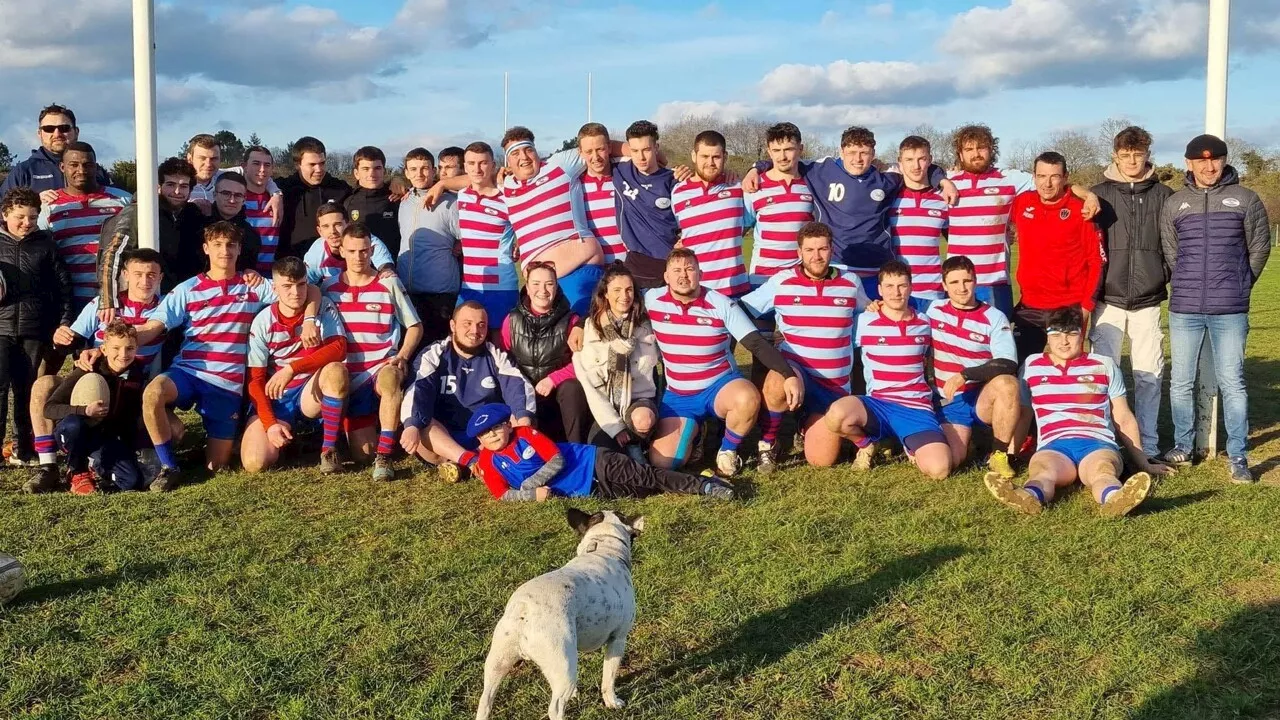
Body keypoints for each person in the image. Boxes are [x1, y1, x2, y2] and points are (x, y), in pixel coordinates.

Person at [131, 222, 315, 490]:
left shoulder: (254, 285)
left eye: (230, 245)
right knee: (153, 393)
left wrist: (309, 318)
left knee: (216, 466)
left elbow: (306, 291)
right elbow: (151, 328)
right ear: (206, 249)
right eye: (217, 244)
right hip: (188, 372)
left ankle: (224, 443)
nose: (224, 251)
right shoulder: (188, 288)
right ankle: (169, 466)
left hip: (227, 384)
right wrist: (115, 340)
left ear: (240, 249)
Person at [1160, 134, 1272, 483]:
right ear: (1188, 163)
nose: (1209, 167)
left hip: (1230, 310)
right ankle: (1183, 445)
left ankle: (1238, 455)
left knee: (1233, 383)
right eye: (1201, 161)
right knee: (1180, 381)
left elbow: (1259, 249)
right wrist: (1190, 284)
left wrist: (1239, 284)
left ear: (1224, 161)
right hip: (1185, 308)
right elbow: (1172, 253)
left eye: (1216, 160)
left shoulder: (1245, 199)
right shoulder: (1175, 203)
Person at [984, 306, 1168, 516]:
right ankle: (1030, 497)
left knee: (1102, 471)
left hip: (1098, 443)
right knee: (1043, 472)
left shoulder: (1103, 365)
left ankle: (1115, 499)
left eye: (1071, 334)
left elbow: (1123, 417)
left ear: (1082, 335)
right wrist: (1010, 455)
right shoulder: (1031, 366)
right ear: (1047, 335)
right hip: (1053, 445)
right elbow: (1024, 414)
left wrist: (1143, 461)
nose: (1064, 341)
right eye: (1056, 334)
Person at [426, 126, 628, 315]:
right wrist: (442, 184)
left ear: (536, 150)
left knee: (581, 334)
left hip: (578, 270)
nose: (523, 157)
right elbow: (476, 177)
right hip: (539, 284)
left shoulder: (561, 165)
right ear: (508, 162)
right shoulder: (506, 184)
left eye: (528, 150)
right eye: (515, 153)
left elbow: (597, 146)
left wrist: (642, 150)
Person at [742, 126, 956, 299]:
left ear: (873, 154)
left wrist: (942, 179)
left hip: (876, 270)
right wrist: (756, 167)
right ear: (841, 152)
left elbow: (918, 167)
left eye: (864, 153)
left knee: (873, 336)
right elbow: (784, 159)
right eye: (852, 153)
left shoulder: (889, 177)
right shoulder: (821, 170)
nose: (858, 159)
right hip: (836, 267)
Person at [646, 249, 801, 477]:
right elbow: (616, 305)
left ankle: (728, 450)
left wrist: (788, 375)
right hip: (679, 394)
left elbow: (755, 344)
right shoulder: (651, 299)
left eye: (690, 269)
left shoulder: (721, 303)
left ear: (700, 273)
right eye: (677, 270)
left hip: (719, 386)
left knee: (746, 397)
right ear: (666, 276)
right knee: (665, 462)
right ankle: (698, 433)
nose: (684, 276)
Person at [26, 249, 167, 492]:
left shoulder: (168, 308)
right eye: (138, 274)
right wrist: (61, 337)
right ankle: (48, 466)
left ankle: (111, 458)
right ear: (124, 275)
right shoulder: (103, 305)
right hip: (94, 382)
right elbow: (72, 340)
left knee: (174, 429)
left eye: (151, 275)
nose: (145, 281)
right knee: (44, 385)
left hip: (136, 390)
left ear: (161, 277)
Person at [740, 222, 868, 472]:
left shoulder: (851, 282)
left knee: (822, 460)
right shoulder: (782, 281)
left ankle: (803, 423)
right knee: (777, 379)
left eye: (822, 249)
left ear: (832, 250)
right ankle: (768, 443)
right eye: (809, 250)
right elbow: (743, 310)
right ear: (799, 252)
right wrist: (766, 337)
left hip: (834, 386)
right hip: (796, 374)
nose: (816, 256)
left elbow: (869, 311)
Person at [947, 124, 1099, 317]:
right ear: (960, 154)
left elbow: (1051, 181)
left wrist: (1088, 195)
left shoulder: (1010, 178)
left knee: (998, 343)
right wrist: (941, 180)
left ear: (991, 150)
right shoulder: (947, 180)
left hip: (996, 281)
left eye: (981, 147)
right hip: (957, 281)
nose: (976, 154)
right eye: (969, 149)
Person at [822, 261, 952, 480]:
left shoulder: (925, 322)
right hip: (878, 405)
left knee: (940, 470)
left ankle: (908, 444)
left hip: (916, 408)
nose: (896, 292)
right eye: (889, 286)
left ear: (911, 287)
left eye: (902, 286)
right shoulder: (863, 321)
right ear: (880, 290)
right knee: (836, 415)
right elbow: (832, 337)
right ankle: (866, 445)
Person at [1089, 126, 1174, 458]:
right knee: (1105, 374)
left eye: (1138, 154)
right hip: (1107, 298)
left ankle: (1149, 443)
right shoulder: (1098, 194)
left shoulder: (1164, 195)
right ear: (1115, 156)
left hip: (1148, 298)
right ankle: (1107, 438)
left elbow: (1172, 245)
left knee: (1149, 372)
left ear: (1147, 154)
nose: (1132, 161)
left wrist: (1161, 274)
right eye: (1125, 155)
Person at [467, 404, 734, 502]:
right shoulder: (489, 461)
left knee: (650, 478)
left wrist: (529, 484)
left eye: (496, 427)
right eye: (484, 433)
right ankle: (696, 479)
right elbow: (501, 495)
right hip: (588, 490)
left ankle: (707, 486)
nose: (491, 435)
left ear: (507, 424)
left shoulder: (525, 435)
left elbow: (556, 459)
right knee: (643, 492)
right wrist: (529, 496)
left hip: (593, 463)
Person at [323, 223, 423, 481]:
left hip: (380, 367)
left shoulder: (388, 283)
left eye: (364, 251)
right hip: (346, 373)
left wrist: (401, 356)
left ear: (372, 250)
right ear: (341, 251)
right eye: (353, 251)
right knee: (362, 454)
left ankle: (386, 456)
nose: (359, 257)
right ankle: (330, 449)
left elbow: (414, 326)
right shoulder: (327, 287)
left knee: (391, 378)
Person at [400, 302, 536, 482]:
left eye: (481, 325)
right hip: (445, 439)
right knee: (422, 424)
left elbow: (519, 387)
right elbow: (417, 390)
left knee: (518, 418)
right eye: (467, 324)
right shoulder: (433, 354)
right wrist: (411, 425)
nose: (475, 331)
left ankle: (468, 465)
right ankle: (472, 462)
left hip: (486, 437)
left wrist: (523, 425)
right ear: (452, 325)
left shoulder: (496, 355)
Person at [242, 256, 349, 474]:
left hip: (309, 391)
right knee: (255, 463)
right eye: (287, 286)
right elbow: (255, 380)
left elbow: (339, 348)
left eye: (301, 285)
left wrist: (292, 369)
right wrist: (270, 424)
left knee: (337, 371)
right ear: (274, 287)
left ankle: (328, 449)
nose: (295, 292)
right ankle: (288, 437)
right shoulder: (263, 321)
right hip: (277, 397)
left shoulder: (322, 307)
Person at [928, 256, 1026, 477]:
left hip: (981, 396)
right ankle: (971, 440)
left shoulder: (994, 317)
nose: (961, 288)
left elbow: (1007, 362)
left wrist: (966, 374)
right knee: (949, 464)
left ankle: (998, 455)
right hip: (950, 401)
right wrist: (876, 305)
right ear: (943, 285)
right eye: (954, 282)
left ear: (975, 281)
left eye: (967, 281)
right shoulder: (933, 310)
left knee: (1008, 384)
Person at [1008, 152, 1106, 362]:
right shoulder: (1023, 202)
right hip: (1030, 306)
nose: (1047, 183)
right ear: (1033, 177)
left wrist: (1086, 306)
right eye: (1042, 176)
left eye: (1054, 176)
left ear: (1065, 177)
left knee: (1067, 371)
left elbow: (1096, 260)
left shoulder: (1082, 209)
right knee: (1022, 369)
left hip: (1068, 307)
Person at [0, 188, 73, 468]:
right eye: (20, 217)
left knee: (26, 389)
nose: (27, 223)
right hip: (1, 328)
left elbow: (64, 288)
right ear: (5, 214)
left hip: (34, 329)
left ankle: (24, 446)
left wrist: (64, 321)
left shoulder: (46, 244)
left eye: (33, 217)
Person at [41, 321, 151, 495]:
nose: (123, 354)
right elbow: (49, 408)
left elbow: (132, 419)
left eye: (129, 348)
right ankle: (77, 471)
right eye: (116, 348)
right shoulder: (88, 369)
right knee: (74, 426)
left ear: (136, 348)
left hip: (103, 438)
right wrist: (84, 411)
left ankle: (96, 464)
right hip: (74, 431)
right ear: (104, 349)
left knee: (131, 481)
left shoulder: (138, 375)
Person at [573, 263, 659, 462]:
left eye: (629, 289)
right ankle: (629, 447)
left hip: (639, 401)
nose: (624, 296)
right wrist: (615, 426)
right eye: (617, 290)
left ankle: (639, 442)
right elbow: (591, 387)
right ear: (605, 295)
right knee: (601, 455)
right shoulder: (590, 329)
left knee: (642, 420)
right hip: (606, 407)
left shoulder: (646, 325)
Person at [499, 262, 590, 443]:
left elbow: (584, 362)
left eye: (549, 284)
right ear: (527, 285)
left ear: (556, 286)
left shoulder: (572, 321)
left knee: (573, 388)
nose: (543, 290)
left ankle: (576, 449)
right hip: (526, 399)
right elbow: (503, 362)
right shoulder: (512, 320)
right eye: (536, 284)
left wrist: (553, 379)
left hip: (560, 399)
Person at [37, 142, 130, 312]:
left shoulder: (123, 201)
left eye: (87, 164)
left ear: (96, 166)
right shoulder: (50, 207)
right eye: (74, 165)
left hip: (117, 300)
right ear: (62, 167)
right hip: (70, 303)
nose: (81, 170)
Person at [96, 157, 206, 302]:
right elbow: (112, 255)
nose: (177, 191)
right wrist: (108, 301)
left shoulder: (193, 215)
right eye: (171, 185)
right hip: (143, 302)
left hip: (183, 300)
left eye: (184, 186)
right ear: (159, 186)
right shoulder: (138, 212)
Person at [671, 130, 751, 298]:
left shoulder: (738, 187)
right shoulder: (677, 192)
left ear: (725, 157)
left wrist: (755, 169)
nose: (710, 163)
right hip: (697, 293)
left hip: (736, 291)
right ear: (694, 156)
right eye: (704, 156)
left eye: (716, 157)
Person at [398, 147, 462, 343]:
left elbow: (470, 236)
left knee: (438, 352)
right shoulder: (403, 201)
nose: (419, 174)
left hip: (440, 295)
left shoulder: (450, 203)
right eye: (414, 169)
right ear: (407, 173)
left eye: (424, 168)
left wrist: (460, 245)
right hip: (407, 294)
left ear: (434, 170)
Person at [744, 122, 813, 287]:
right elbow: (739, 230)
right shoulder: (753, 186)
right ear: (769, 151)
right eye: (776, 150)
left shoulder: (812, 184)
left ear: (800, 149)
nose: (782, 157)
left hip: (800, 279)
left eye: (788, 149)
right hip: (762, 278)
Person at [614, 120, 681, 289]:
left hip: (670, 260)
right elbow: (601, 144)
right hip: (637, 261)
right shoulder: (620, 171)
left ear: (656, 148)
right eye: (635, 151)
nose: (641, 157)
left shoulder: (674, 179)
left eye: (646, 150)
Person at [890, 136, 949, 312]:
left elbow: (957, 242)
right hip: (897, 293)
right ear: (900, 162)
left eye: (922, 159)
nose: (916, 166)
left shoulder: (944, 199)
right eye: (909, 160)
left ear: (930, 160)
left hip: (933, 293)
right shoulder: (889, 198)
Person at [0, 104, 110, 194]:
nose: (57, 134)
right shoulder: (23, 172)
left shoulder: (97, 171)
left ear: (76, 132)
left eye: (64, 128)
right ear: (40, 134)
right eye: (49, 129)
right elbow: (4, 210)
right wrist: (35, 203)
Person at [279, 136, 352, 258]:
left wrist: (392, 185)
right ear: (298, 164)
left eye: (322, 163)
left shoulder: (340, 189)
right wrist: (274, 192)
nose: (319, 169)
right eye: (312, 164)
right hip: (291, 265)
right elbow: (244, 181)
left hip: (331, 267)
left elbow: (365, 194)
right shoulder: (283, 188)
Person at [303, 201, 396, 285]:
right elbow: (305, 284)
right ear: (320, 231)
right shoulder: (316, 251)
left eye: (338, 224)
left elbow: (386, 267)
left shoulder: (365, 239)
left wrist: (387, 272)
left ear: (348, 225)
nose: (332, 231)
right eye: (326, 226)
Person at [578, 123, 628, 264]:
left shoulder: (626, 178)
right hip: (593, 270)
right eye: (589, 152)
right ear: (580, 152)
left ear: (610, 148)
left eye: (600, 149)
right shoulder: (573, 186)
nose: (596, 157)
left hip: (627, 268)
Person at [202, 172, 264, 279]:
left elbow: (248, 271)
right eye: (226, 193)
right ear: (214, 195)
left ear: (244, 199)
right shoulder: (196, 226)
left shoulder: (251, 235)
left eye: (238, 195)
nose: (232, 200)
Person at [344, 145, 402, 257]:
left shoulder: (397, 197)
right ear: (356, 173)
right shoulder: (347, 201)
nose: (372, 174)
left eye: (377, 168)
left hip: (393, 267)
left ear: (384, 171)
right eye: (365, 169)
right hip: (360, 267)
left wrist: (397, 180)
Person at [241, 145, 283, 274]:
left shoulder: (278, 198)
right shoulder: (235, 197)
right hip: (243, 273)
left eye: (267, 165)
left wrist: (278, 195)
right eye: (256, 164)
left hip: (272, 274)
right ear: (244, 166)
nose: (262, 169)